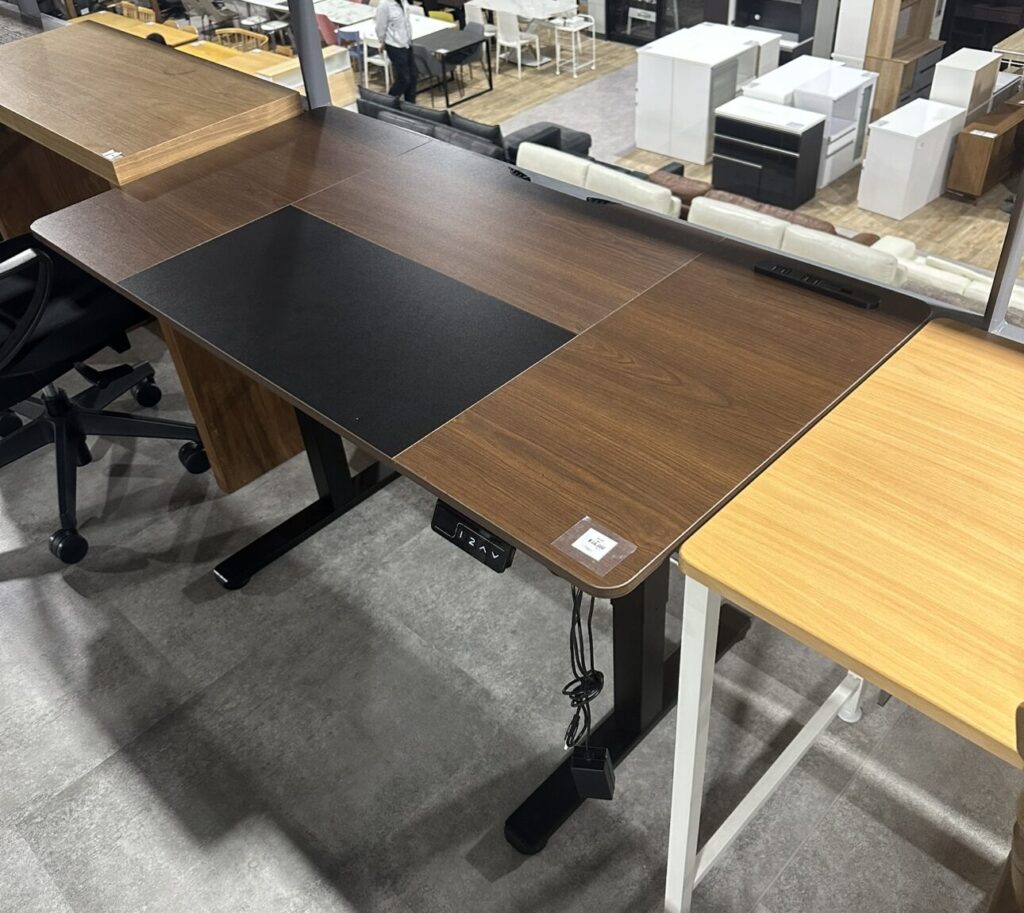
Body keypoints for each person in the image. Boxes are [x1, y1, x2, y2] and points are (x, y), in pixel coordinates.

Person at [375, 0, 416, 103]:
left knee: (413, 76)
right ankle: (388, 102)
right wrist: (382, 41)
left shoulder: (403, 1)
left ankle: (410, 104)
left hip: (407, 43)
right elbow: (380, 27)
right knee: (404, 79)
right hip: (394, 45)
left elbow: (406, 22)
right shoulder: (384, 5)